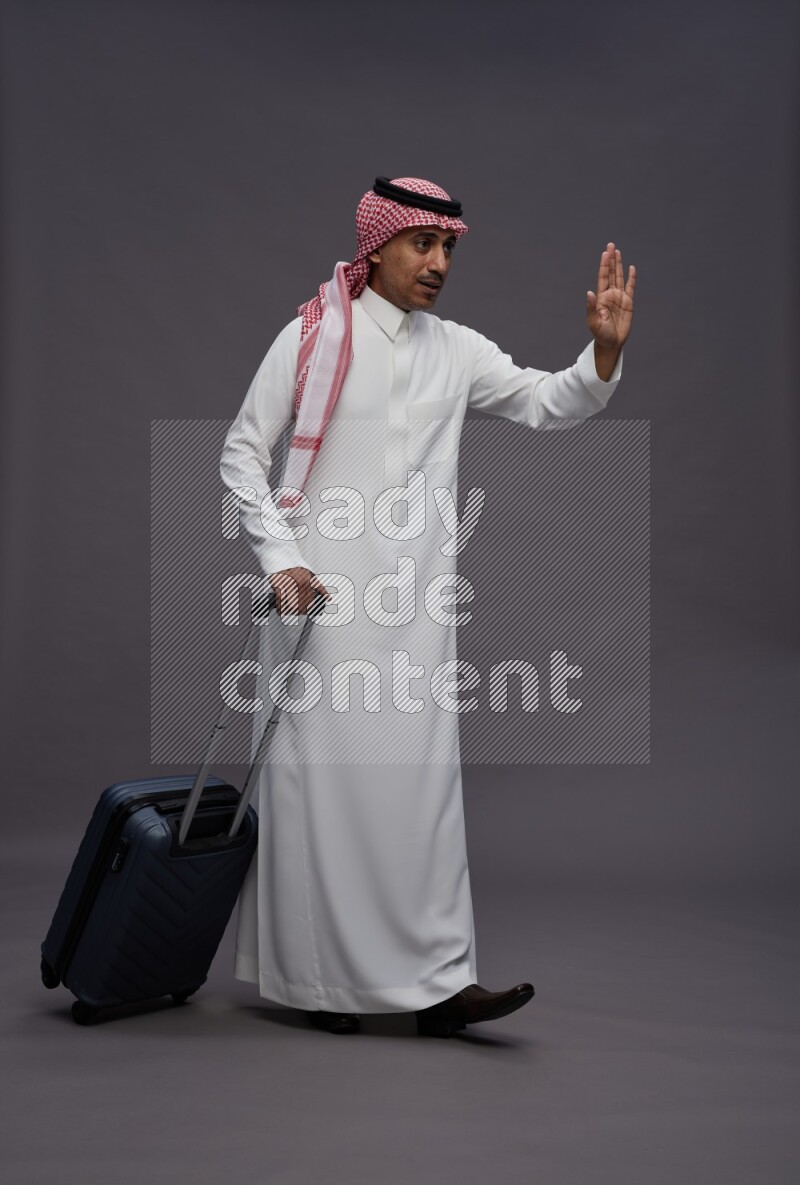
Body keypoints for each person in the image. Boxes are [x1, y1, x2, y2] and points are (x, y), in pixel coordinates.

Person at [220, 176, 635, 1037]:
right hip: (319, 613)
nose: (440, 262)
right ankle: (320, 986)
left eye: (450, 247)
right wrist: (283, 557)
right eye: (424, 244)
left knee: (422, 800)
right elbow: (239, 455)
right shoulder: (310, 336)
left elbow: (542, 401)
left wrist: (599, 356)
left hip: (417, 614)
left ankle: (442, 984)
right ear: (377, 248)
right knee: (323, 800)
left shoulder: (456, 350)